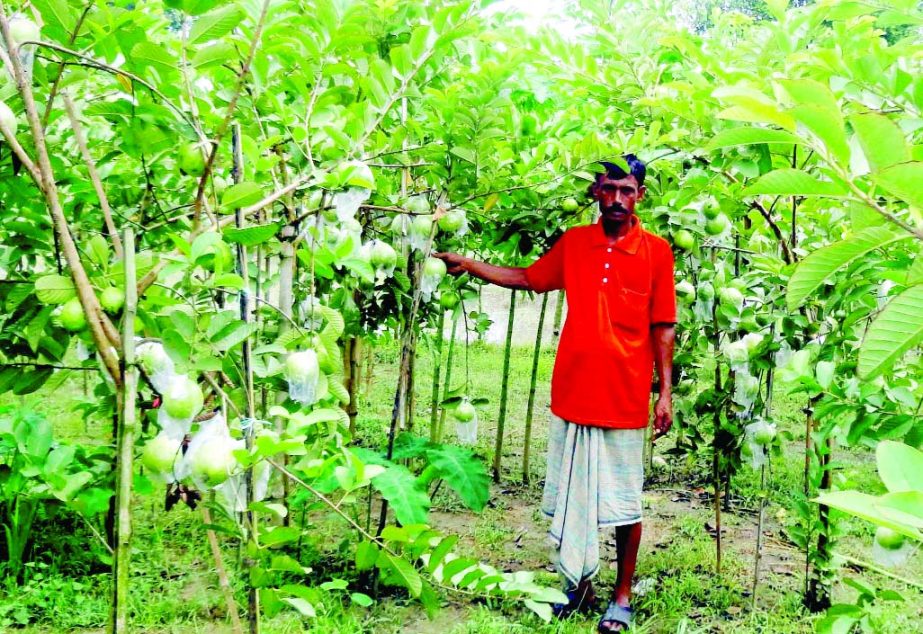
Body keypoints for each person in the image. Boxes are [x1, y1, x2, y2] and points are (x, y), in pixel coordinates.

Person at [434, 155, 676, 633]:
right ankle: (579, 586)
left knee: (625, 501)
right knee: (571, 492)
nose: (617, 200)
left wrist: (664, 392)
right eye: (608, 190)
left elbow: (663, 326)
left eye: (627, 191)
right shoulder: (576, 243)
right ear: (595, 193)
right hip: (573, 389)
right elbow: (529, 278)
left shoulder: (657, 252)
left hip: (625, 394)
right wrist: (470, 264)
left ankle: (621, 596)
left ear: (640, 196)